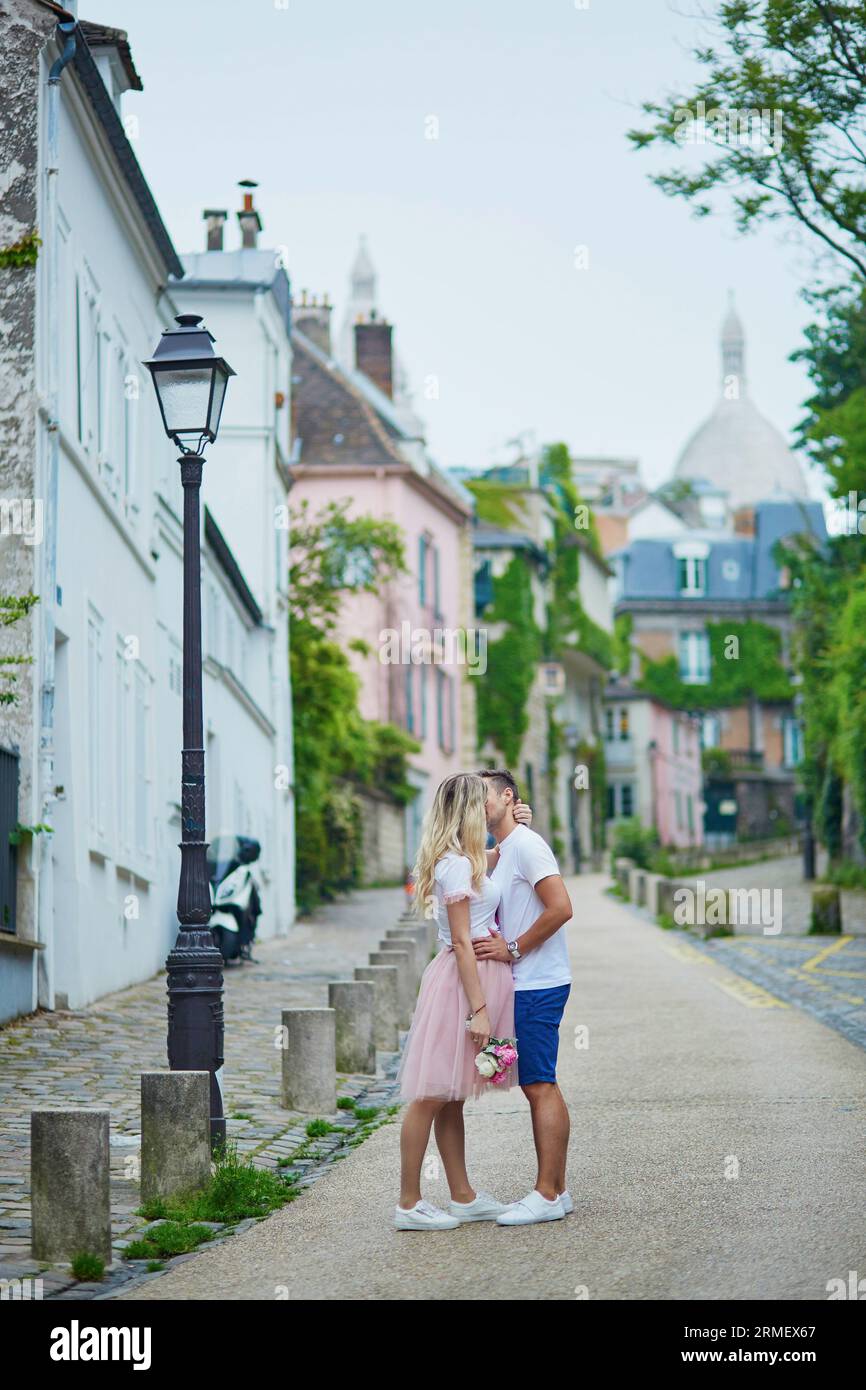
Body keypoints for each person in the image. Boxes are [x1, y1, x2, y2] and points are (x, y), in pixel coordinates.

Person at [393, 771, 532, 1231]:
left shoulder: (469, 859)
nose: (489, 808)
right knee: (431, 1094)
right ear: (468, 810)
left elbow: (499, 856)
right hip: (460, 984)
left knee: (450, 1098)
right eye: (483, 803)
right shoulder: (454, 865)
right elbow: (461, 940)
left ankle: (463, 1196)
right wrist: (480, 1011)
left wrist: (519, 823)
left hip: (469, 980)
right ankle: (409, 1203)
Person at [474, 768, 574, 1227]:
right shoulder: (508, 847)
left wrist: (513, 949)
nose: (475, 805)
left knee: (539, 1084)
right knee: (538, 1083)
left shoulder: (528, 846)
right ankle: (557, 1190)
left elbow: (561, 908)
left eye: (483, 796)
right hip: (526, 981)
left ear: (506, 796)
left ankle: (547, 1194)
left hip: (538, 981)